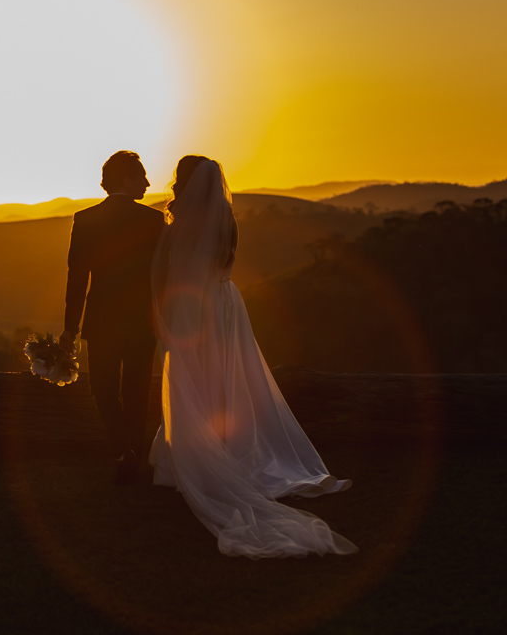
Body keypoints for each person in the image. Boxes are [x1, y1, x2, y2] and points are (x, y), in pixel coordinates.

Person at [148, 155, 357, 558]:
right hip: (224, 300)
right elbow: (225, 262)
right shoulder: (226, 218)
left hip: (192, 305)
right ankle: (226, 445)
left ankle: (198, 453)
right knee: (227, 375)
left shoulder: (180, 222)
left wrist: (164, 310)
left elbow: (168, 273)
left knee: (194, 376)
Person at [61, 151, 165, 484]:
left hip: (102, 318)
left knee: (102, 388)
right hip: (142, 320)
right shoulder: (154, 220)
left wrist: (70, 328)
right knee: (137, 389)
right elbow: (163, 275)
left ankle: (123, 450)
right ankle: (131, 451)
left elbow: (77, 277)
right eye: (142, 177)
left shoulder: (86, 219)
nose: (148, 183)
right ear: (126, 179)